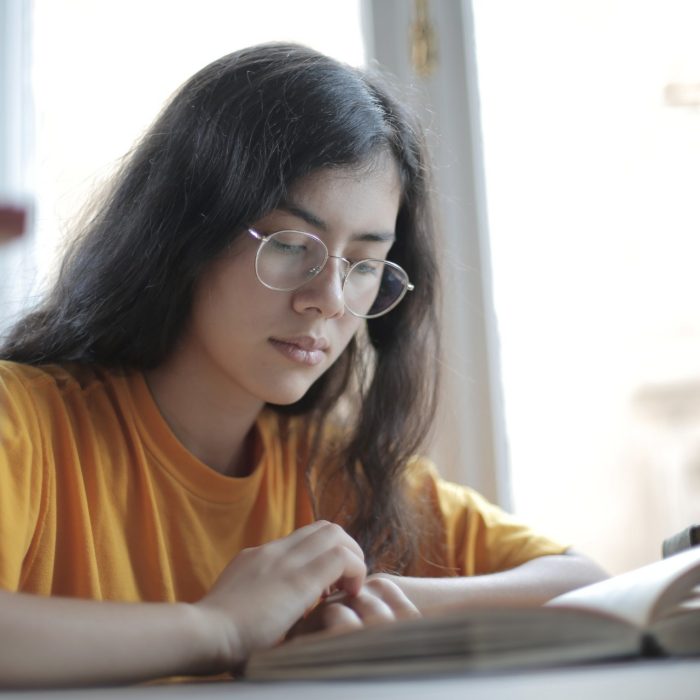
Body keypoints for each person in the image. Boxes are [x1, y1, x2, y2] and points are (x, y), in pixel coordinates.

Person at [0, 43, 606, 688]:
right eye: (292, 244)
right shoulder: (25, 426)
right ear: (185, 230)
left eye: (364, 264)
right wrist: (220, 630)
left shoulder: (336, 471)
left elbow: (584, 584)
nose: (329, 298)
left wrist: (383, 601)